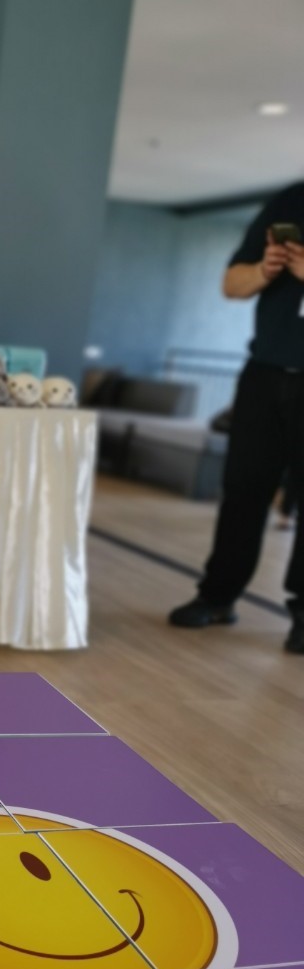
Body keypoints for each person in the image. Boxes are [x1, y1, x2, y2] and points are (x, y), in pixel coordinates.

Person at [168, 183, 304, 654]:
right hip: (264, 374)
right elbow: (232, 284)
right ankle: (217, 597)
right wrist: (266, 269)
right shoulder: (290, 200)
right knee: (243, 490)